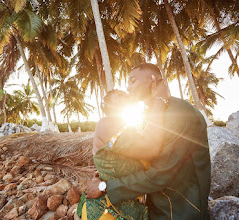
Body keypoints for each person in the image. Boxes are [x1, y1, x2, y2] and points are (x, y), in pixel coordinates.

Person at [86, 63, 211, 220]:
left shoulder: (178, 112)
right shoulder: (151, 115)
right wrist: (102, 175)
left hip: (180, 209)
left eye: (132, 80)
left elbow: (160, 174)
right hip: (157, 205)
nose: (128, 88)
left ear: (153, 79)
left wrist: (105, 187)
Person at [81, 89, 152, 220]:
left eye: (124, 93)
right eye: (119, 95)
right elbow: (149, 150)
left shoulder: (129, 126)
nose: (125, 94)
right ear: (109, 104)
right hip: (105, 210)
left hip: (121, 204)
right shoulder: (107, 123)